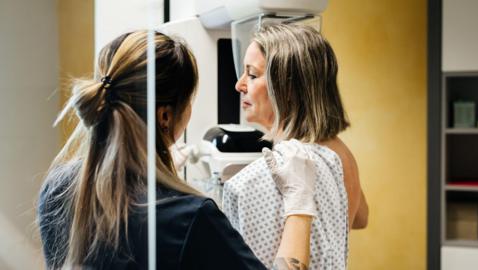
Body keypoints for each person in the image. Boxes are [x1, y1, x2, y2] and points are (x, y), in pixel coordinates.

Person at [37, 30, 317, 270]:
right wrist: (300, 203)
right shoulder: (191, 217)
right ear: (165, 116)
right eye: (190, 99)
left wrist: (159, 170)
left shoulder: (57, 189)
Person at [222, 24, 369, 269]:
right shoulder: (338, 153)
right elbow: (360, 218)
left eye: (252, 75)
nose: (239, 85)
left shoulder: (278, 171)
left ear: (287, 89)